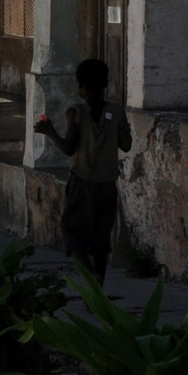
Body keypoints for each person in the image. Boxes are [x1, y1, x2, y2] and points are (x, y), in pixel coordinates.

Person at [33, 57, 132, 281]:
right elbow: (126, 144)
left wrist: (49, 131)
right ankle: (99, 289)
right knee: (100, 241)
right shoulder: (116, 111)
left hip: (82, 182)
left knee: (73, 236)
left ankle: (91, 276)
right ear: (105, 83)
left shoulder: (76, 112)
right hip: (107, 185)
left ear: (81, 86)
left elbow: (68, 148)